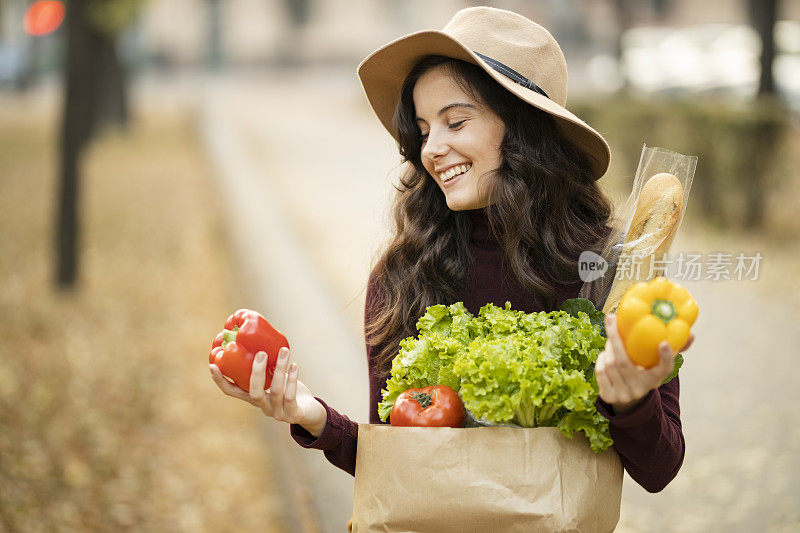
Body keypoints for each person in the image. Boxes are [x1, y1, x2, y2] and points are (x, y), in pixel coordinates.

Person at [209, 6, 694, 494]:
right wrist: (311, 416)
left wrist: (632, 401)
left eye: (455, 123)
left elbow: (660, 469)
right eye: (423, 131)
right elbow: (399, 470)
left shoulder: (611, 271)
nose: (431, 149)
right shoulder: (404, 277)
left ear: (523, 127)